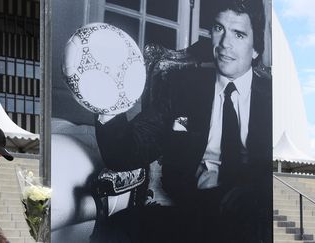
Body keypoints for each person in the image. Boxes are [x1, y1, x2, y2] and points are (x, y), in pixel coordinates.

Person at [94, 0, 271, 242]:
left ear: (255, 49)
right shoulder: (182, 86)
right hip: (190, 211)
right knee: (116, 229)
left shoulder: (275, 98)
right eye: (219, 29)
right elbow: (128, 151)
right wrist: (108, 102)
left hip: (253, 216)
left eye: (238, 34)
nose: (224, 44)